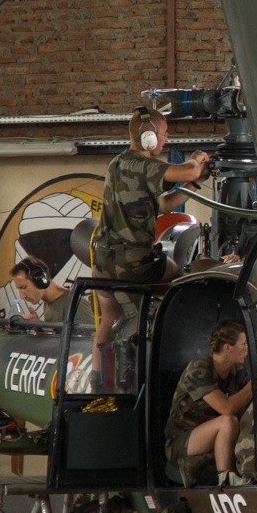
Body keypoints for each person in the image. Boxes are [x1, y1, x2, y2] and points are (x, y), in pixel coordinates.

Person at [91, 107, 211, 388]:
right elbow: (189, 168)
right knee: (180, 282)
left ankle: (97, 381)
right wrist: (199, 159)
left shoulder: (118, 164)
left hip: (102, 262)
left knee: (108, 319)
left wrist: (194, 186)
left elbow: (164, 205)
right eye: (164, 135)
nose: (165, 140)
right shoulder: (142, 164)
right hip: (132, 262)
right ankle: (149, 370)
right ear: (148, 138)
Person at [166, 319, 255, 488]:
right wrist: (255, 385)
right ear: (227, 348)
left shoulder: (237, 372)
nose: (247, 349)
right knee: (228, 421)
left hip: (215, 431)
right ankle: (225, 479)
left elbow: (240, 412)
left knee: (241, 421)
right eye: (243, 344)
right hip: (183, 439)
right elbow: (226, 408)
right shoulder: (198, 369)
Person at [9, 257, 69, 322]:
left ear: (39, 281)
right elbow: (54, 331)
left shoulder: (73, 303)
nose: (22, 296)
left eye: (24, 287)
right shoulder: (47, 302)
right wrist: (38, 326)